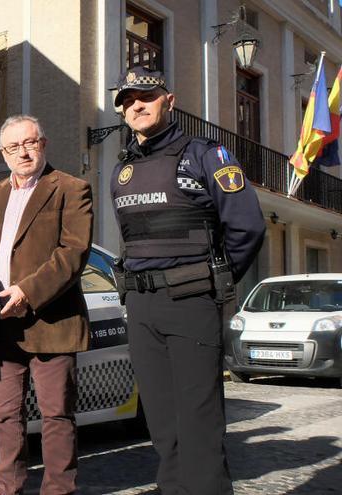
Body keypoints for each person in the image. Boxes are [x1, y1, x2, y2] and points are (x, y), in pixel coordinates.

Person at [110, 66, 265, 494]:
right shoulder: (122, 169)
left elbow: (247, 228)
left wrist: (211, 280)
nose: (135, 105)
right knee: (163, 426)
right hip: (142, 309)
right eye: (126, 100)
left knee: (199, 426)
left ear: (169, 100)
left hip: (192, 303)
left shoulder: (205, 155)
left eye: (145, 95)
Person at [0, 115, 93, 495]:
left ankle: (59, 490)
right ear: (2, 153)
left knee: (57, 415)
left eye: (30, 143)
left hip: (51, 320)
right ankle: (7, 487)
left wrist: (26, 290)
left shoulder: (72, 189)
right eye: (13, 146)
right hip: (1, 322)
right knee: (5, 414)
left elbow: (73, 253)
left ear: (44, 143)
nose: (23, 152)